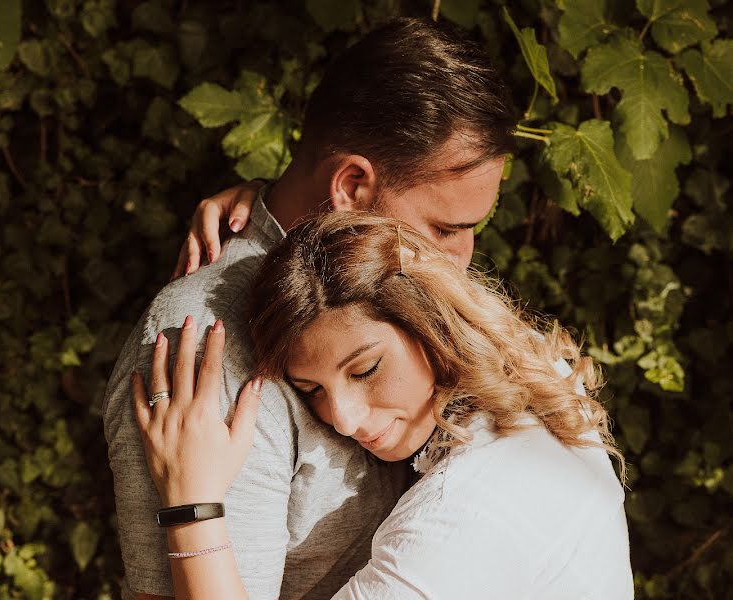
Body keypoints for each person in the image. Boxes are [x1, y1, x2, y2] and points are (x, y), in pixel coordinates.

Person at [103, 17, 514, 600]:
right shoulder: (210, 344)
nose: (461, 260)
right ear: (350, 186)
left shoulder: (401, 291)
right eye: (445, 229)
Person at [131, 212, 633, 599]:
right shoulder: (527, 379)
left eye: (365, 370)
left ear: (429, 321)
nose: (344, 419)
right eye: (312, 391)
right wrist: (258, 198)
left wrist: (191, 500)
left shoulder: (461, 517)